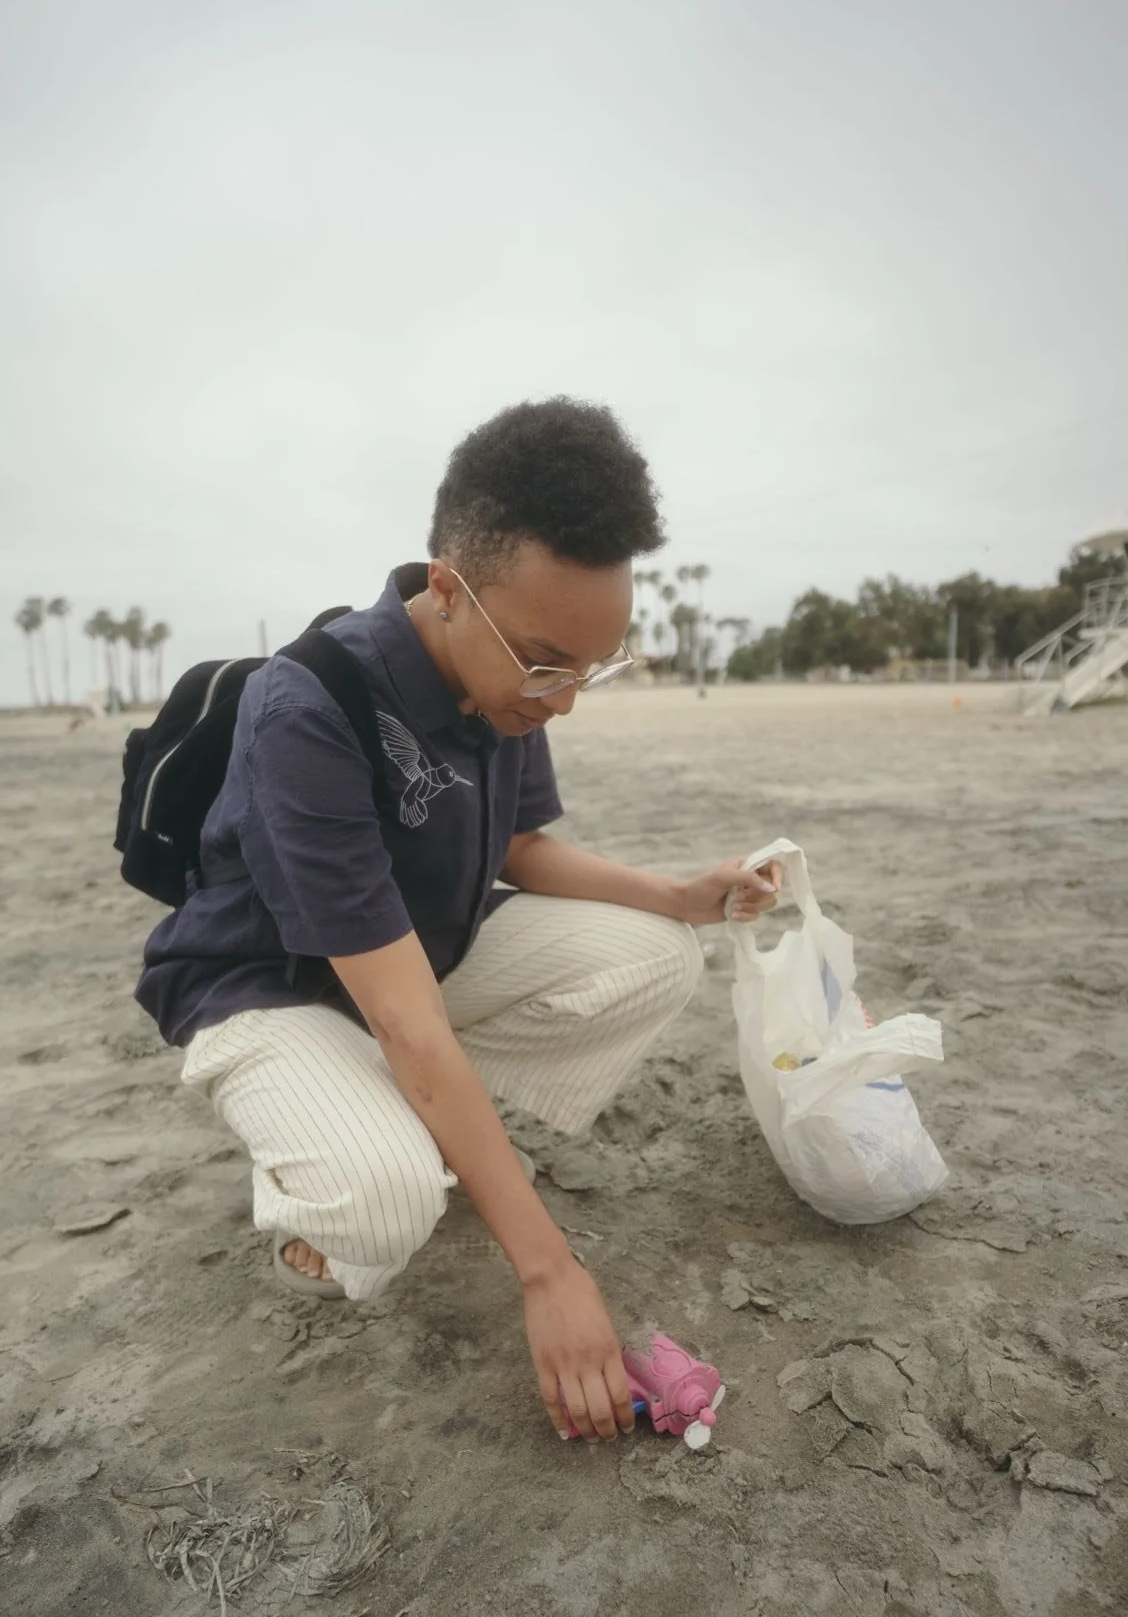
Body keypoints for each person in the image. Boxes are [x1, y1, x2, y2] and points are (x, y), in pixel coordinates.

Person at [136, 399, 779, 1442]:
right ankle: (316, 1185)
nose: (563, 698)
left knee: (659, 954)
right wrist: (550, 1268)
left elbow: (521, 848)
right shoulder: (312, 708)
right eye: (544, 662)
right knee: (387, 1205)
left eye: (590, 667)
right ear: (448, 589)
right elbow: (405, 1019)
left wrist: (678, 895)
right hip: (273, 985)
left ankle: (396, 1112)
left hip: (416, 967)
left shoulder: (510, 684)